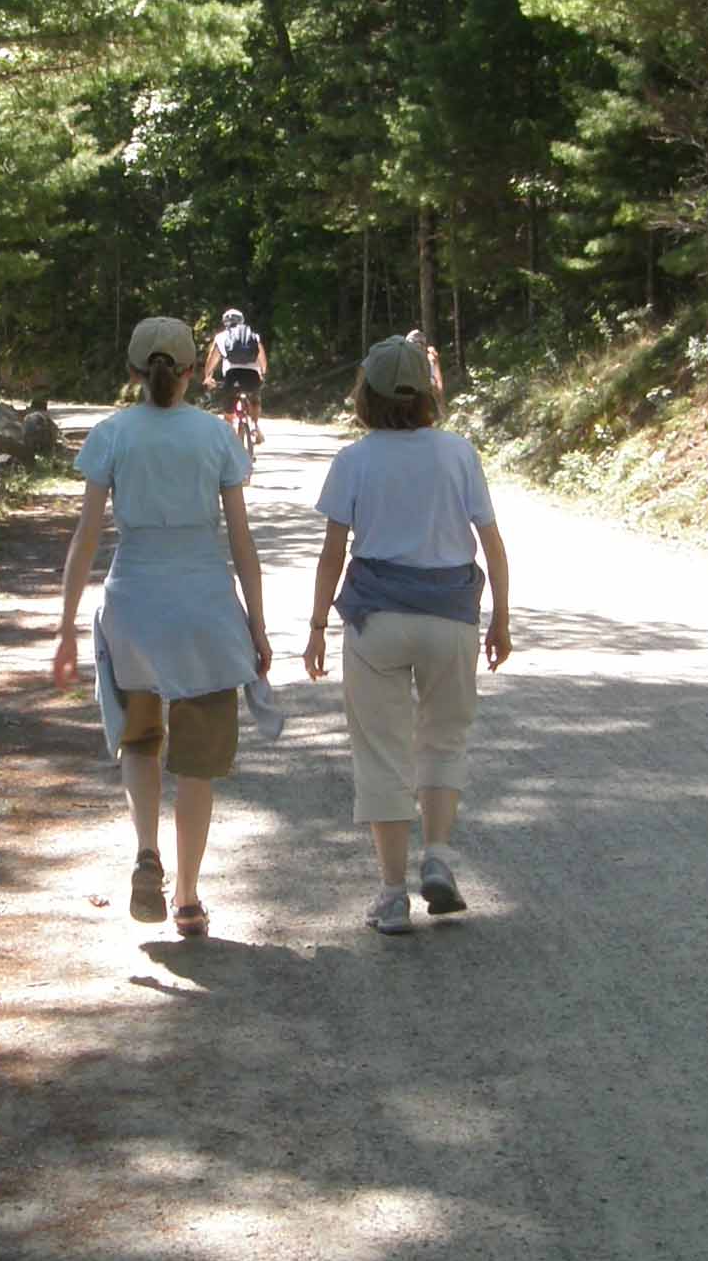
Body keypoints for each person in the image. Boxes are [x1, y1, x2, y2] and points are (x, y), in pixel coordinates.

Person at [52, 317, 273, 939]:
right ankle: (188, 898)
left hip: (134, 606)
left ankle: (145, 851)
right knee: (197, 761)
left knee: (140, 740)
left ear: (132, 373)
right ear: (188, 374)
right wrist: (257, 626)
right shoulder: (215, 437)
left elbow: (87, 537)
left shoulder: (112, 435)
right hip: (203, 606)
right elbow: (241, 540)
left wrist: (67, 627)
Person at [301, 336, 511, 936]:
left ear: (365, 393)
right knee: (443, 741)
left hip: (377, 623)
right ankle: (438, 857)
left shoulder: (354, 460)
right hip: (451, 618)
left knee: (382, 753)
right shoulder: (458, 454)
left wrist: (317, 626)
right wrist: (501, 617)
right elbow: (492, 543)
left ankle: (392, 895)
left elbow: (331, 554)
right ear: (428, 393)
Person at [205, 306, 269, 450]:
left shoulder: (221, 337)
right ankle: (254, 425)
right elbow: (262, 360)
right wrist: (262, 373)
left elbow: (212, 360)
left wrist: (208, 377)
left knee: (228, 413)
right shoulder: (253, 335)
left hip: (232, 376)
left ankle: (232, 440)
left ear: (225, 322)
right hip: (252, 376)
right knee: (254, 400)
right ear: (242, 321)